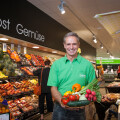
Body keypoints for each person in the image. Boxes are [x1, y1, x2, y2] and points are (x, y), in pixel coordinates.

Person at [47, 32, 96, 120]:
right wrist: (62, 101)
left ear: (78, 45)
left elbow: (93, 88)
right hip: (59, 108)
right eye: (68, 44)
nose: (71, 47)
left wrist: (87, 102)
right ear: (64, 45)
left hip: (79, 109)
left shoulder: (87, 65)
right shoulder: (56, 65)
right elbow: (53, 88)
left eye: (74, 44)